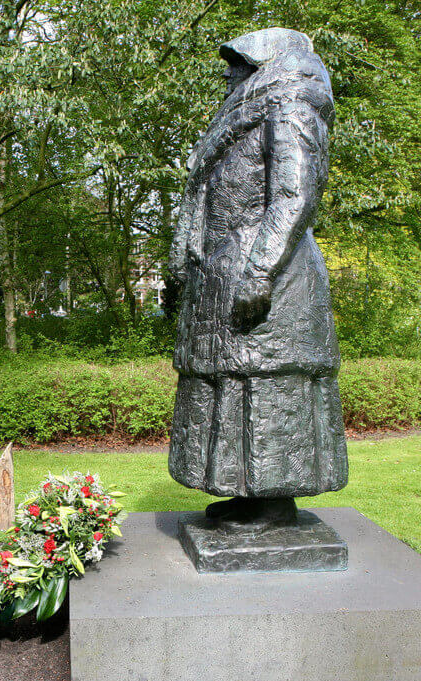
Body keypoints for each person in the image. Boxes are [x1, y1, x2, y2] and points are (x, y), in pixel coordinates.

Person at [167, 29, 347, 521]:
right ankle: (249, 494)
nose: (227, 72)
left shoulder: (291, 105)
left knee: (270, 382)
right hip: (229, 264)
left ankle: (274, 505)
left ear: (265, 67)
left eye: (239, 64)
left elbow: (295, 194)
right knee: (234, 382)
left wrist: (261, 269)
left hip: (268, 270)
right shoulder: (244, 116)